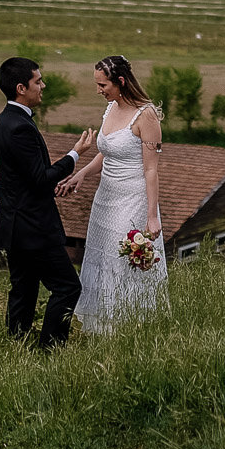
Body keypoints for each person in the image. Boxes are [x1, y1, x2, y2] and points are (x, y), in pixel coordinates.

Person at [59, 54, 168, 333]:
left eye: (102, 85)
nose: (99, 90)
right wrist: (82, 174)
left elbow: (151, 171)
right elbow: (107, 153)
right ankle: (100, 327)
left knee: (123, 259)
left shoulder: (147, 116)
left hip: (133, 199)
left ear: (120, 81)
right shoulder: (111, 108)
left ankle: (128, 325)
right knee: (102, 255)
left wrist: (152, 217)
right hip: (105, 198)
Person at [0, 56, 94, 349]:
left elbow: (27, 179)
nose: (43, 85)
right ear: (21, 87)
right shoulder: (19, 127)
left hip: (16, 224)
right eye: (38, 81)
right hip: (33, 227)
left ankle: (16, 343)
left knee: (23, 289)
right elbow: (40, 178)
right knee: (67, 287)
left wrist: (49, 184)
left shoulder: (5, 120)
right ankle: (50, 347)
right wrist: (76, 154)